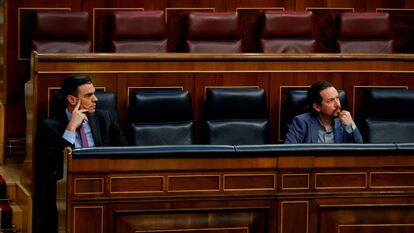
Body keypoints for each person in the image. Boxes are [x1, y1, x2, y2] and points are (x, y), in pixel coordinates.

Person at [34, 75, 128, 233]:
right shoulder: (49, 126)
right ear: (72, 99)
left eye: (94, 93)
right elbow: (53, 167)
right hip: (69, 188)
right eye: (89, 95)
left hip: (105, 184)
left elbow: (124, 152)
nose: (96, 99)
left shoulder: (105, 118)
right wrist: (71, 128)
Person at [284, 80, 363, 144]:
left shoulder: (344, 122)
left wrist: (351, 125)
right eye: (331, 100)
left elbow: (359, 149)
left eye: (337, 98)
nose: (337, 104)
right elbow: (289, 151)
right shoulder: (302, 122)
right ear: (317, 107)